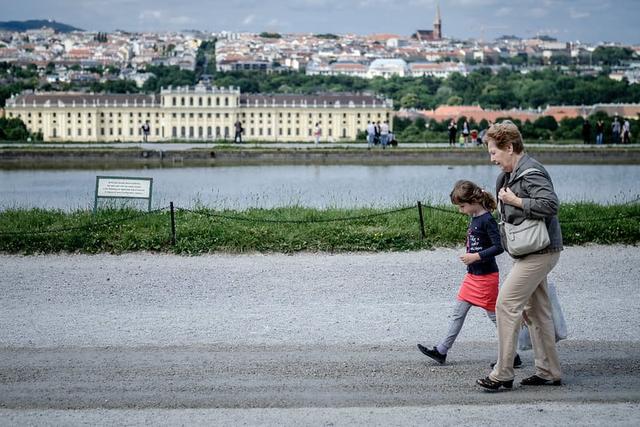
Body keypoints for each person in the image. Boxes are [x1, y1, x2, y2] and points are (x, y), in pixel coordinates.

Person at [477, 120, 563, 391]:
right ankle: (549, 371)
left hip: (540, 250)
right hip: (529, 250)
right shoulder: (510, 174)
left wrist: (516, 202)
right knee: (537, 312)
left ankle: (503, 372)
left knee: (505, 305)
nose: (492, 159)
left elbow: (550, 205)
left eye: (494, 152)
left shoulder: (531, 171)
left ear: (510, 147)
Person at [417, 180, 522, 368]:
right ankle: (441, 351)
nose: (460, 210)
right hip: (472, 276)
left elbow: (499, 247)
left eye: (462, 206)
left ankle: (512, 355)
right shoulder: (474, 217)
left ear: (474, 201)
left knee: (495, 317)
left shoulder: (487, 220)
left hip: (486, 278)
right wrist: (472, 259)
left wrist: (475, 256)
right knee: (458, 313)